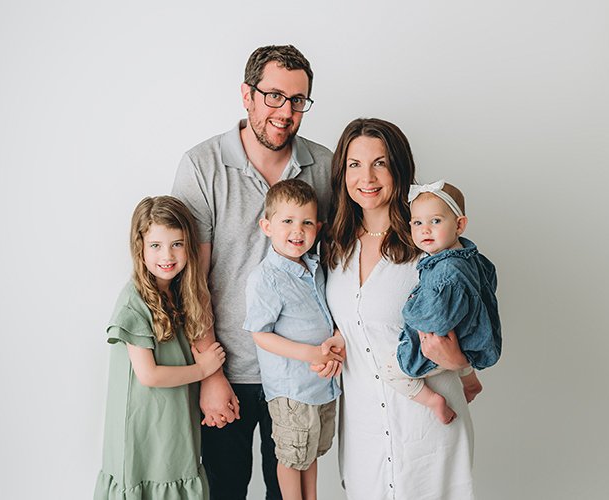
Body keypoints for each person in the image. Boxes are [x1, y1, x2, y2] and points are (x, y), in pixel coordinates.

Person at [171, 45, 333, 499]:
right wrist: (209, 372)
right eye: (274, 96)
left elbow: (339, 264)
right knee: (226, 489)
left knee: (291, 493)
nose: (286, 112)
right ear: (247, 95)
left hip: (301, 375)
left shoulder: (324, 165)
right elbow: (190, 280)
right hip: (231, 368)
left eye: (298, 100)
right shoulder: (202, 165)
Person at [321, 118, 476, 499]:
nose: (367, 177)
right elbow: (351, 323)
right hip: (363, 429)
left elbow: (476, 322)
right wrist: (336, 340)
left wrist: (460, 361)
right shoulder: (333, 246)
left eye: (380, 162)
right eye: (355, 164)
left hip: (428, 427)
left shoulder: (431, 243)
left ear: (399, 168)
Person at [94, 196, 226, 500]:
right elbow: (149, 375)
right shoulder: (134, 302)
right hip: (143, 426)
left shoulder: (182, 294)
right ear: (140, 247)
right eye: (156, 245)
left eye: (176, 244)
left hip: (174, 421)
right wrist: (205, 369)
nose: (167, 255)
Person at [244, 179, 344, 500]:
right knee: (290, 457)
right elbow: (261, 334)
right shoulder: (266, 278)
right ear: (267, 226)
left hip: (319, 386)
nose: (297, 231)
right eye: (287, 221)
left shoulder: (314, 267)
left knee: (308, 453)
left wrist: (329, 347)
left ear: (319, 227)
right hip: (292, 391)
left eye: (306, 223)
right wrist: (310, 353)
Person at [381, 180, 501, 425]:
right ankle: (470, 380)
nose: (425, 230)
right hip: (467, 343)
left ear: (459, 225)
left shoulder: (445, 273)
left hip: (438, 345)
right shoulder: (472, 259)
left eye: (435, 221)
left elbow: (432, 320)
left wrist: (411, 305)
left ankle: (433, 401)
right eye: (417, 223)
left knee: (388, 370)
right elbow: (489, 281)